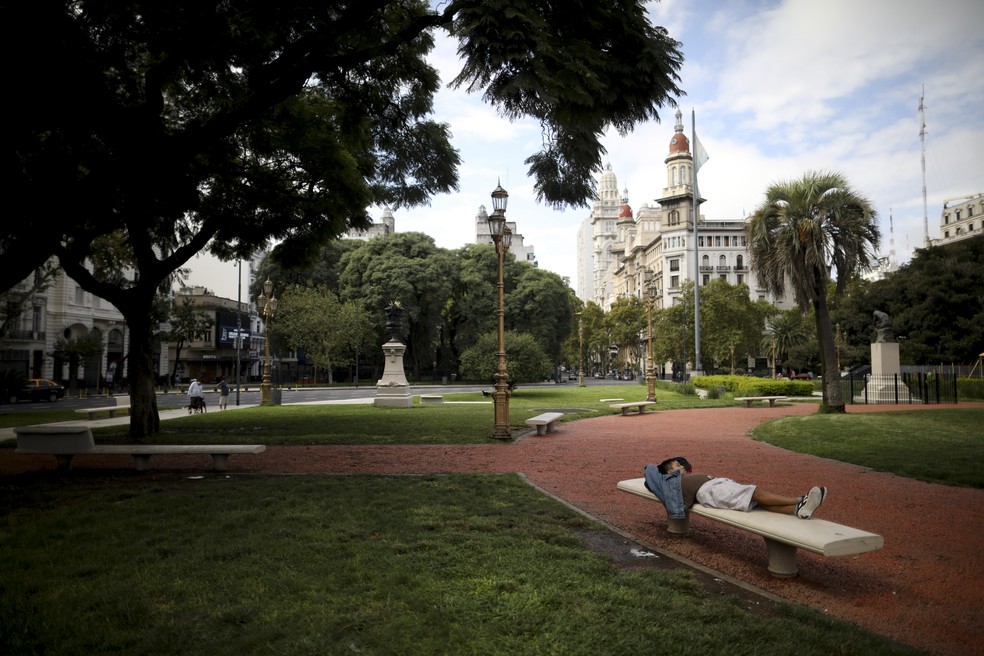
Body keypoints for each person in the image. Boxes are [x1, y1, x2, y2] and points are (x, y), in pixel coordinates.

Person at [643, 456, 826, 520]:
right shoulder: (672, 483)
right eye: (677, 466)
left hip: (717, 487)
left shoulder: (681, 479)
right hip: (711, 491)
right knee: (754, 492)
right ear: (669, 473)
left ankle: (798, 509)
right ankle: (800, 499)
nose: (682, 466)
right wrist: (660, 471)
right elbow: (650, 470)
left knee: (758, 503)